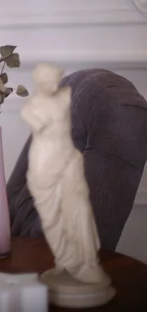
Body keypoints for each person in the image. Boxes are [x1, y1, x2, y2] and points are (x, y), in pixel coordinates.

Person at [22, 63, 106, 284]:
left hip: (68, 160)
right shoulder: (31, 109)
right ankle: (64, 260)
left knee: (79, 211)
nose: (52, 85)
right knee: (52, 218)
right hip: (44, 165)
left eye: (55, 80)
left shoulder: (65, 96)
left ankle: (83, 263)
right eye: (47, 81)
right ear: (39, 82)